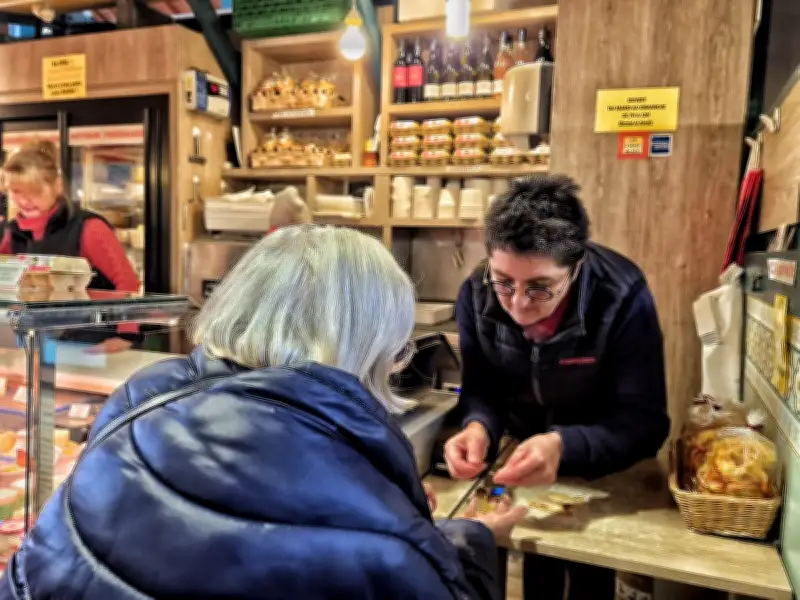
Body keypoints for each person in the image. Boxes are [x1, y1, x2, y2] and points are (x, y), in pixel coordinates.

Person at [1, 226, 527, 600]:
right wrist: (473, 538)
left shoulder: (135, 403)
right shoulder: (389, 538)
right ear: (370, 347)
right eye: (398, 349)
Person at [444, 174, 670, 600]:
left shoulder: (621, 295)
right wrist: (478, 427)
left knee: (589, 571)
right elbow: (481, 388)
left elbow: (645, 422)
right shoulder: (476, 292)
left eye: (540, 288)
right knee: (533, 554)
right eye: (504, 282)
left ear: (577, 267)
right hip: (521, 452)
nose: (517, 304)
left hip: (599, 454)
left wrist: (564, 444)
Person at [0, 140, 140, 353]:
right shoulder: (11, 232)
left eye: (35, 191)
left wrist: (126, 335)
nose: (26, 200)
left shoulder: (89, 228)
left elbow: (126, 282)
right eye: (17, 192)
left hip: (88, 341)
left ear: (57, 186)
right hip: (31, 341)